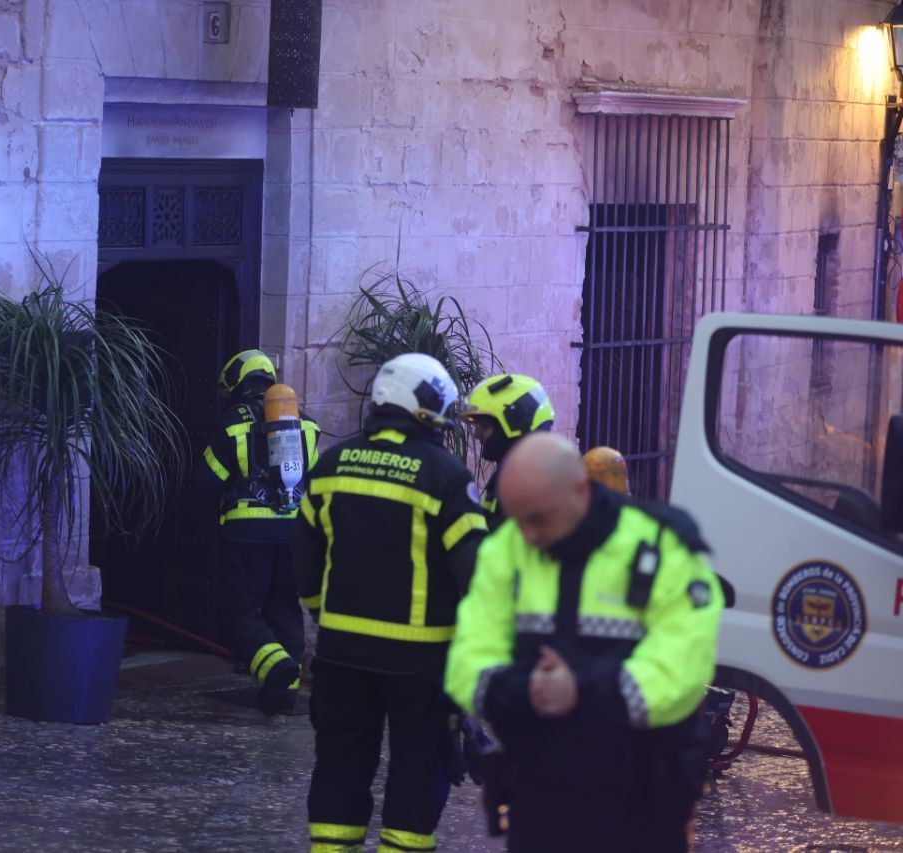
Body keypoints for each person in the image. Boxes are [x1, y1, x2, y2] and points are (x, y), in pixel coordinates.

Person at [444, 433, 724, 852]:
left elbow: (685, 660)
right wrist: (523, 690)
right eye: (517, 518)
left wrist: (583, 691)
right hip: (541, 795)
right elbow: (470, 653)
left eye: (538, 518)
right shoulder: (508, 548)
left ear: (580, 490)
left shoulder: (663, 543)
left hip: (643, 800)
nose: (528, 534)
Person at [294, 353, 489, 853]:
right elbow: (477, 578)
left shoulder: (330, 466)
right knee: (417, 769)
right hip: (419, 661)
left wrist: (323, 615)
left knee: (339, 763)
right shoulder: (445, 477)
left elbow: (304, 561)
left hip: (339, 654)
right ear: (425, 408)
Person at [197, 349, 321, 714]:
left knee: (240, 612)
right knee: (285, 609)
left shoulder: (230, 423)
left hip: (247, 534)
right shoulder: (306, 424)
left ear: (236, 381)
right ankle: (282, 693)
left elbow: (205, 483)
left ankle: (277, 668)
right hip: (295, 534)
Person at [459, 373, 555, 528]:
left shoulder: (530, 490)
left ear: (516, 425)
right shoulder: (512, 475)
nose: (477, 434)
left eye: (484, 426)